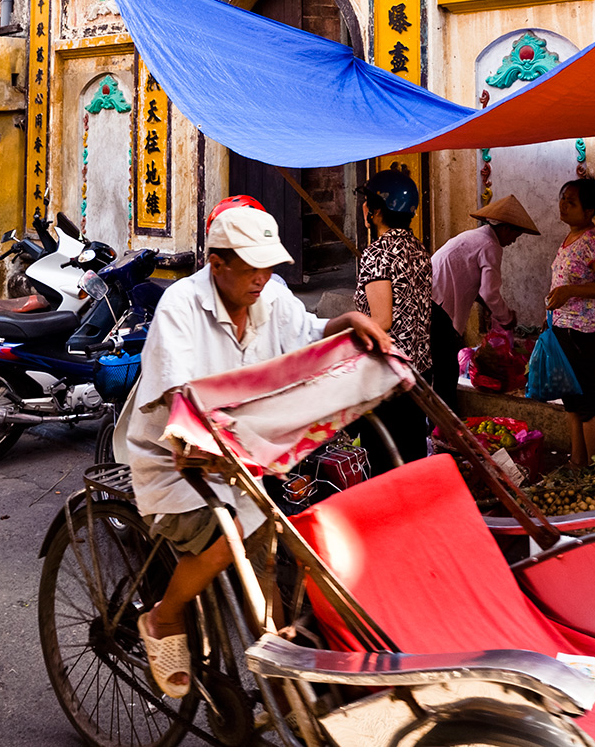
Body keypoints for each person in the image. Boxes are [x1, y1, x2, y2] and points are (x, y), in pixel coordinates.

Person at [111, 201, 390, 700]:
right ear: (217, 262)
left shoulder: (270, 297)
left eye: (268, 266)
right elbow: (181, 396)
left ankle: (282, 676)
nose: (262, 278)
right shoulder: (180, 304)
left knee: (270, 554)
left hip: (243, 456)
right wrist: (205, 442)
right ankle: (163, 615)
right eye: (250, 267)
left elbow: (307, 335)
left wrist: (347, 321)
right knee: (233, 533)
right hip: (175, 462)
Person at [429, 194, 540, 409]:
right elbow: (489, 292)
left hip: (432, 301)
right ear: (506, 228)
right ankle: (444, 430)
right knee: (446, 373)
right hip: (439, 307)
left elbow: (474, 285)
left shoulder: (474, 237)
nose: (513, 242)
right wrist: (505, 317)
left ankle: (437, 426)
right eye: (515, 236)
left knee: (438, 369)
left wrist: (488, 307)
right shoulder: (491, 245)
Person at [353, 169, 433, 465]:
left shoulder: (378, 254)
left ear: (375, 211)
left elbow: (382, 321)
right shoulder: (419, 250)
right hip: (420, 373)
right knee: (412, 456)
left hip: (387, 376)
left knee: (385, 461)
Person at [546, 177, 595, 467]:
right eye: (563, 197)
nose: (563, 205)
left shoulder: (593, 241)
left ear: (589, 211)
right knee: (572, 402)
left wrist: (570, 291)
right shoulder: (570, 237)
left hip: (583, 333)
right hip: (563, 330)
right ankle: (578, 463)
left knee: (588, 404)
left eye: (572, 201)